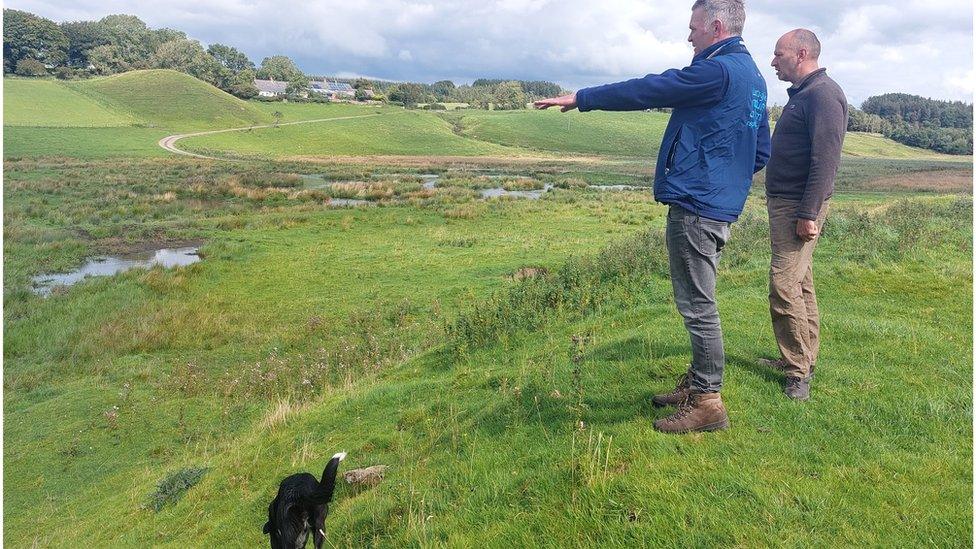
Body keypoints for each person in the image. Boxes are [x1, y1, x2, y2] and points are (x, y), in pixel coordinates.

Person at [535, 0, 769, 433]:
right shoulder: (753, 77)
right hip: (716, 203)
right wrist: (723, 178)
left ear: (716, 26)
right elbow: (761, 151)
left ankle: (708, 403)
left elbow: (652, 89)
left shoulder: (717, 71)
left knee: (698, 306)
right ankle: (698, 384)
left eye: (694, 27)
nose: (689, 36)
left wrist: (583, 98)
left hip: (698, 207)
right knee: (699, 300)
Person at [761, 29, 847, 400]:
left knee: (783, 286)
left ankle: (797, 373)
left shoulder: (823, 95)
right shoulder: (807, 95)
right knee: (800, 283)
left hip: (798, 205)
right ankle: (803, 359)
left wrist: (808, 211)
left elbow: (825, 160)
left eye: (779, 54)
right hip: (789, 202)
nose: (773, 61)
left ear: (801, 53)